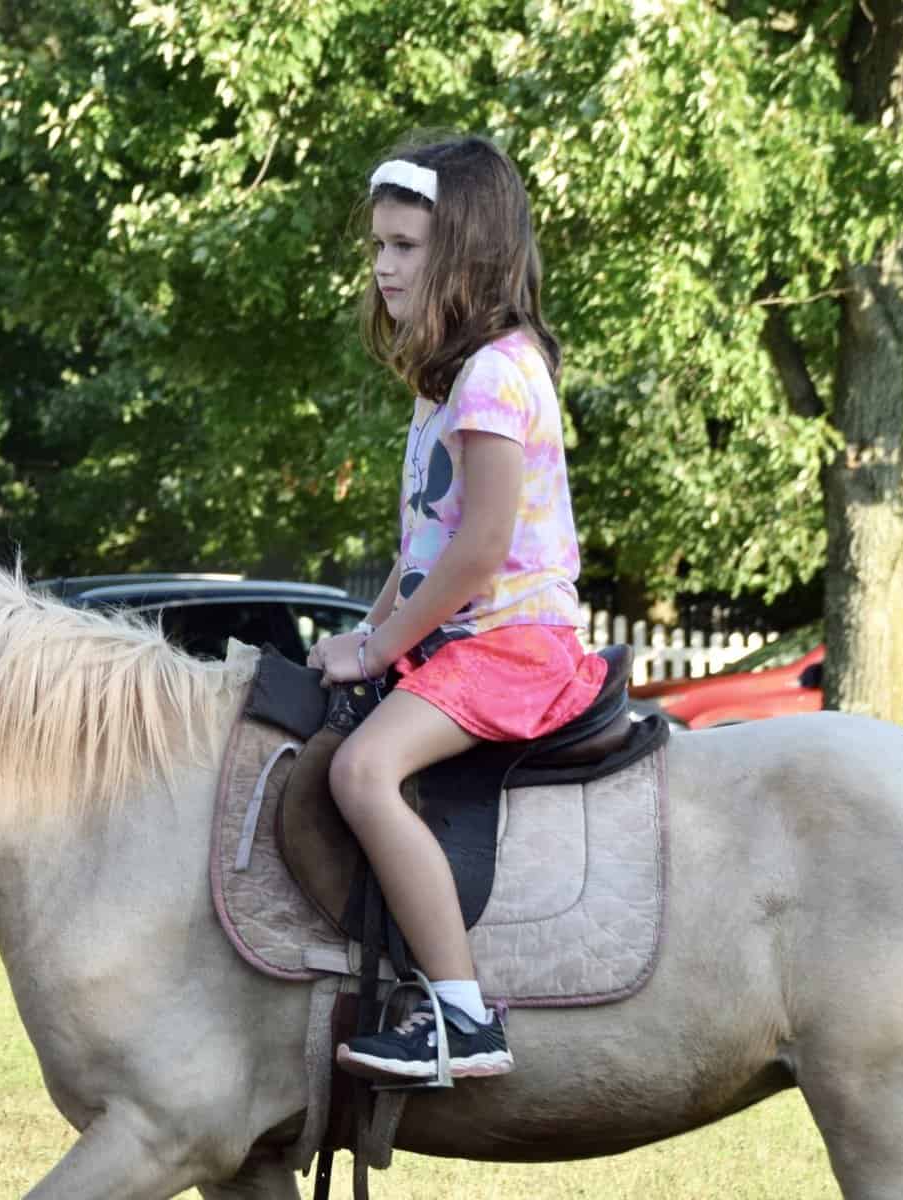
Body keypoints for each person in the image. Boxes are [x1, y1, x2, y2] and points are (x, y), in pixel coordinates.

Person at [307, 135, 607, 1083]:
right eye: (379, 247)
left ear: (466, 252)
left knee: (361, 772)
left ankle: (463, 1016)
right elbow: (423, 552)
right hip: (466, 634)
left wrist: (381, 647)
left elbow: (480, 550)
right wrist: (367, 634)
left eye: (405, 247)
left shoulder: (492, 377)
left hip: (512, 640)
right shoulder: (444, 388)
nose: (383, 266)